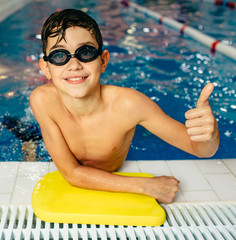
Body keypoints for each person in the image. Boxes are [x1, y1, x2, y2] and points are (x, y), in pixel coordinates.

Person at [29, 9, 220, 204]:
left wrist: (209, 135)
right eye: (60, 56)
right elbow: (71, 173)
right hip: (60, 161)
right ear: (46, 68)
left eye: (85, 52)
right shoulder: (42, 100)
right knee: (30, 147)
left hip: (111, 166)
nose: (74, 65)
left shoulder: (130, 105)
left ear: (103, 61)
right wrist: (145, 185)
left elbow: (201, 150)